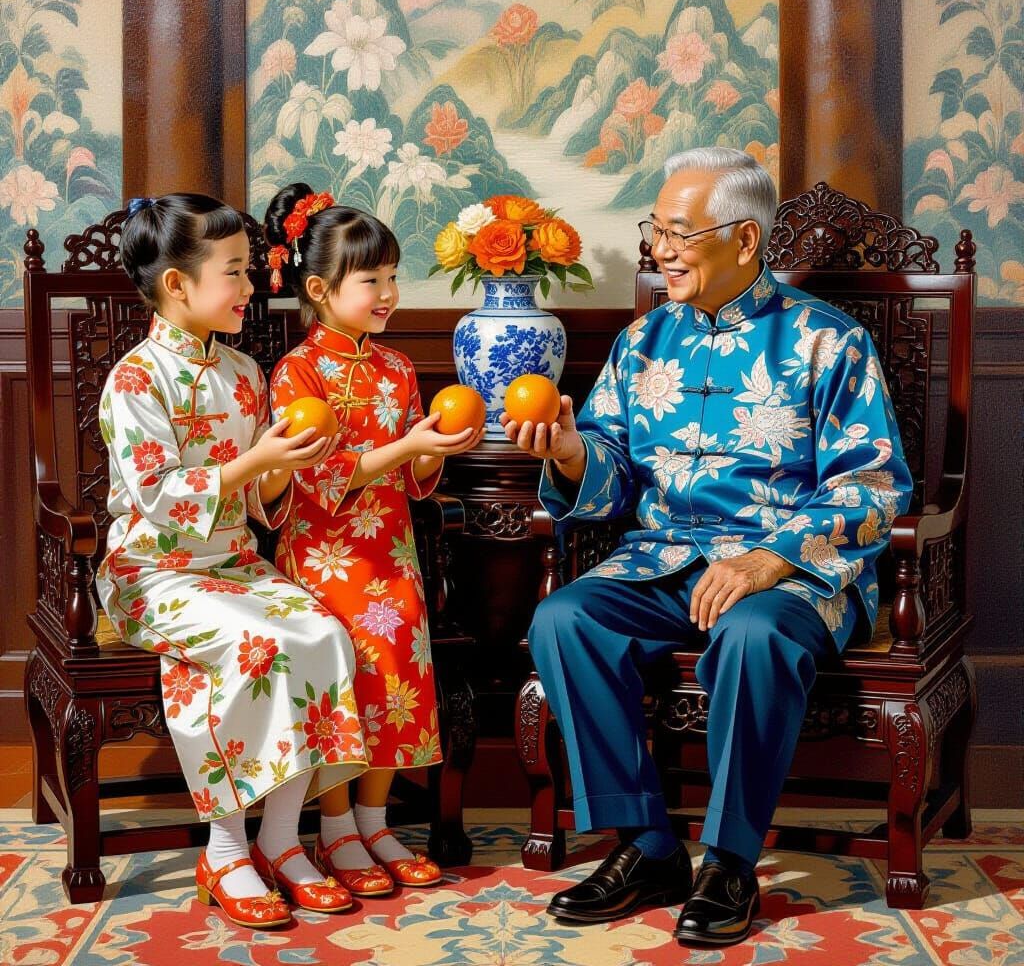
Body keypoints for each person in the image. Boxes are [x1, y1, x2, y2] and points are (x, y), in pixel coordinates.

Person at [503, 147, 914, 947]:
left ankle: (729, 861)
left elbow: (874, 487)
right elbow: (611, 468)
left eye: (680, 231)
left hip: (790, 571)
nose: (661, 246)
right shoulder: (642, 341)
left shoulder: (831, 343)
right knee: (565, 619)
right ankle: (647, 848)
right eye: (654, 228)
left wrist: (768, 561)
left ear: (746, 241)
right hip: (664, 559)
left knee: (754, 633)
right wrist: (568, 452)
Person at [96, 194, 368, 928]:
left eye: (250, 271)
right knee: (259, 645)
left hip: (235, 565)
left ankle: (281, 841)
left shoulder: (247, 371)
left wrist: (282, 466)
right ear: (178, 284)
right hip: (152, 573)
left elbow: (260, 503)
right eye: (236, 273)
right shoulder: (134, 379)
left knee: (324, 634)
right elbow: (158, 499)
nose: (253, 289)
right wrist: (257, 459)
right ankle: (224, 848)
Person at [265, 185, 483, 897]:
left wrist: (438, 447)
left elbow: (416, 477)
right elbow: (324, 478)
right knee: (346, 683)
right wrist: (409, 446)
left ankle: (376, 822)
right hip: (323, 557)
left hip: (391, 554)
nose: (389, 292)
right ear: (321, 289)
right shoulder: (294, 372)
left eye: (393, 277)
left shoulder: (394, 368)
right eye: (372, 280)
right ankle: (335, 834)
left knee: (397, 678)